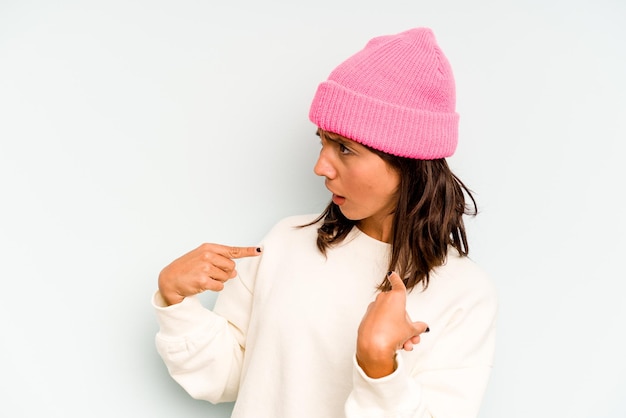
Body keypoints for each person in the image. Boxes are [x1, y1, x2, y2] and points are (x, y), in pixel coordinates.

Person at [153, 27, 497, 418]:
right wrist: (175, 300)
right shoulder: (285, 241)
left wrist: (377, 365)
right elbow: (227, 377)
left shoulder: (464, 293)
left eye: (345, 148)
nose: (321, 167)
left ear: (408, 161)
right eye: (323, 141)